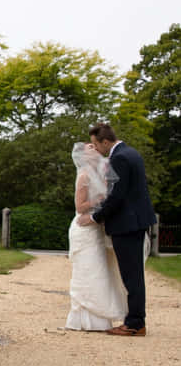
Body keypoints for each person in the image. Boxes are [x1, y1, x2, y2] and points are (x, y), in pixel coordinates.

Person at [78, 123, 156, 336]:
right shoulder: (131, 153)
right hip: (136, 222)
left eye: (96, 144)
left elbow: (117, 196)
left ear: (105, 141)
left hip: (127, 224)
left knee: (132, 275)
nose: (96, 149)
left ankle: (135, 324)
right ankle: (135, 320)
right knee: (134, 274)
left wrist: (95, 217)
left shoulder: (119, 158)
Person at [65, 142, 127, 330]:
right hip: (84, 229)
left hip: (97, 228)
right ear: (84, 156)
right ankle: (83, 319)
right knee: (87, 270)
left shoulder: (103, 174)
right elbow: (79, 206)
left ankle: (99, 318)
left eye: (95, 148)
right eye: (90, 149)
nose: (96, 151)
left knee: (99, 271)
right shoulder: (83, 176)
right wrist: (99, 199)